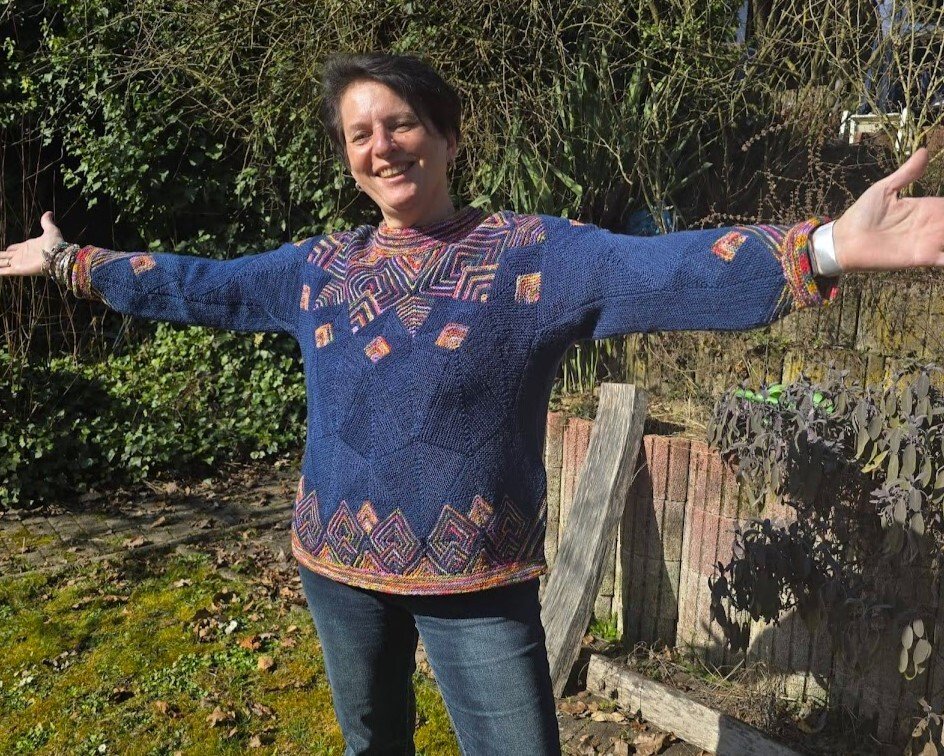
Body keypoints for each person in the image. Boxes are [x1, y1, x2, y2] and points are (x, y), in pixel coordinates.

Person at [3, 53, 944, 755]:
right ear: (348, 159)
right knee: (374, 742)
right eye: (360, 134)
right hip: (335, 562)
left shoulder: (533, 256)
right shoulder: (316, 270)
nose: (382, 146)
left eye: (402, 123)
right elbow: (198, 284)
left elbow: (662, 270)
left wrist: (824, 247)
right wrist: (72, 262)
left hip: (478, 581)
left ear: (448, 138)